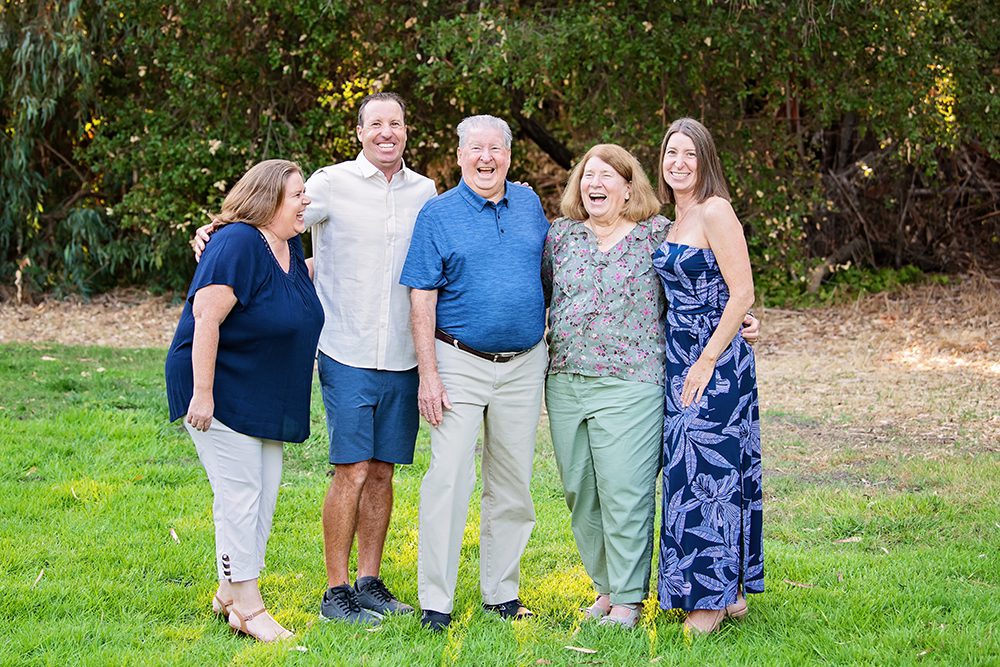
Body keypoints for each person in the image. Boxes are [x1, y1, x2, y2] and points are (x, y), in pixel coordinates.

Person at [194, 92, 437, 625]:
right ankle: (336, 591)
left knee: (383, 472)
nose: (386, 132)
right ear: (359, 131)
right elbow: (272, 219)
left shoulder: (426, 191)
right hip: (345, 347)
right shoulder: (329, 184)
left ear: (406, 130)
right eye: (375, 123)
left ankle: (370, 583)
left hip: (401, 351)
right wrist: (218, 232)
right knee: (349, 470)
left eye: (395, 123)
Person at [543, 144, 760, 629]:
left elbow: (710, 281)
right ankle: (606, 588)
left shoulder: (655, 236)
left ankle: (629, 599)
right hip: (565, 379)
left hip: (632, 380)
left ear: (628, 188)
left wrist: (744, 319)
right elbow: (535, 294)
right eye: (587, 176)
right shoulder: (559, 238)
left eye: (607, 176)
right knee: (582, 492)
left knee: (625, 491)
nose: (594, 184)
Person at [400, 115, 550, 632]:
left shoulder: (530, 205)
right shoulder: (437, 214)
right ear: (459, 154)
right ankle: (436, 601)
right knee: (449, 478)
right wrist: (428, 375)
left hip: (525, 364)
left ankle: (501, 592)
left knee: (512, 482)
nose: (486, 158)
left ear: (509, 155)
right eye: (476, 149)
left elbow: (554, 274)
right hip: (458, 363)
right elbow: (421, 297)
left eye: (496, 149)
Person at [166, 159, 324, 642]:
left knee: (263, 497)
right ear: (269, 198)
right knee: (240, 497)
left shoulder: (289, 245)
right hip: (222, 385)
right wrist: (204, 395)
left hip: (265, 390)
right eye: (298, 194)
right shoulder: (236, 242)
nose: (306, 202)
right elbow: (206, 318)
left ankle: (226, 593)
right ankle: (250, 609)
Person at [652, 117, 763, 635]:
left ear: (706, 161)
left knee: (711, 474)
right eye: (672, 153)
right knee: (683, 472)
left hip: (712, 364)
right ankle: (721, 589)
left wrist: (707, 359)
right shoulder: (672, 220)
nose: (679, 163)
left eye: (689, 155)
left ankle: (712, 600)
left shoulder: (716, 210)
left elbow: (742, 293)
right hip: (678, 357)